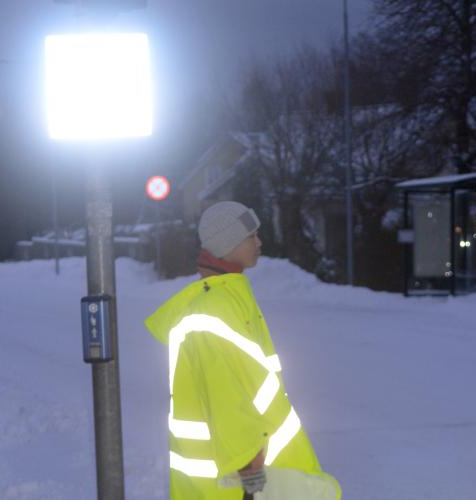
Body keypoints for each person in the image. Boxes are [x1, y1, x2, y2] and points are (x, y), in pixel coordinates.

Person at [144, 201, 341, 499]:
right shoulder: (216, 307)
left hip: (236, 470)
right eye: (251, 236)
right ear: (228, 242)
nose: (259, 243)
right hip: (235, 477)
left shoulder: (228, 297)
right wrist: (248, 464)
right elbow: (223, 392)